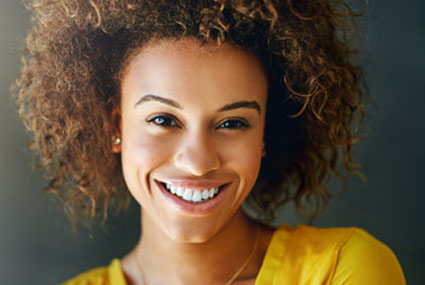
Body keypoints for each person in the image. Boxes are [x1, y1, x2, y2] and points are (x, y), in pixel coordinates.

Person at [14, 0, 406, 284]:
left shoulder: (344, 269)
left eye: (233, 123)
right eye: (164, 120)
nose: (198, 162)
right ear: (117, 126)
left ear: (266, 134)